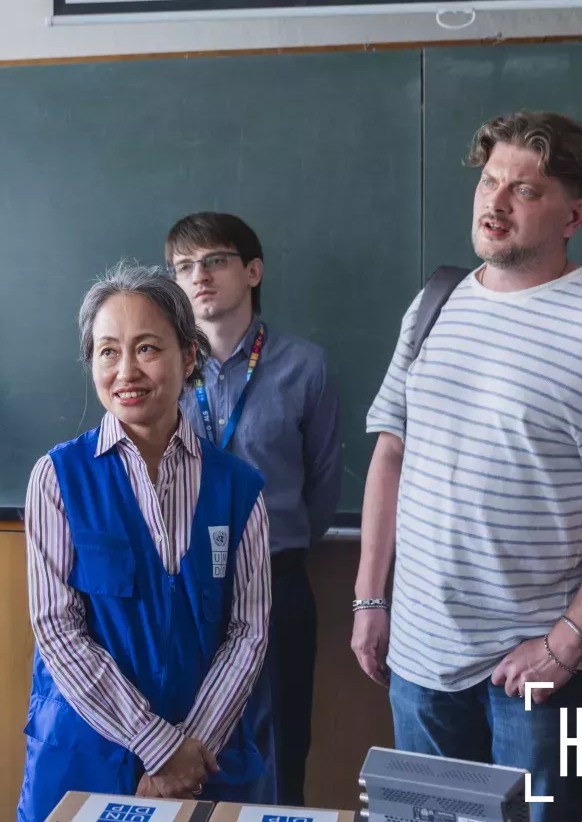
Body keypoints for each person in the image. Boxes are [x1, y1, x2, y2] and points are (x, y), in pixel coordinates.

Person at [353, 110, 582, 822]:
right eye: (489, 180)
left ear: (574, 213)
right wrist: (369, 598)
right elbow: (391, 452)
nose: (495, 203)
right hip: (417, 659)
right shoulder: (435, 303)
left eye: (525, 191)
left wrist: (566, 643)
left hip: (537, 676)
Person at [18, 263, 271, 822]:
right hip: (86, 756)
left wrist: (188, 754)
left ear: (189, 357)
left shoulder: (239, 488)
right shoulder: (57, 478)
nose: (126, 370)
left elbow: (247, 631)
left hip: (209, 753)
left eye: (147, 348)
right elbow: (57, 629)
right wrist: (158, 745)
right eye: (108, 352)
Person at [165, 211, 341, 806]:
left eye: (214, 260)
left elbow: (321, 486)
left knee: (281, 744)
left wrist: (274, 547)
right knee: (183, 744)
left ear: (253, 271)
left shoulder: (304, 366)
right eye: (185, 266)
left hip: (275, 581)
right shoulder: (160, 366)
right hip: (181, 583)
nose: (200, 276)